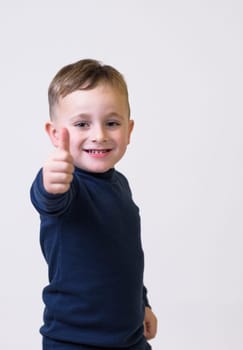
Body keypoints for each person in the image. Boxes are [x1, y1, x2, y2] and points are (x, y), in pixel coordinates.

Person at [30, 59, 157, 350]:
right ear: (54, 133)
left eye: (112, 123)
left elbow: (124, 257)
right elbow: (49, 200)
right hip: (74, 341)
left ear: (129, 130)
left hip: (130, 339)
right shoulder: (66, 185)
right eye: (82, 124)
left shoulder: (120, 185)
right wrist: (50, 182)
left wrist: (142, 303)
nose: (98, 134)